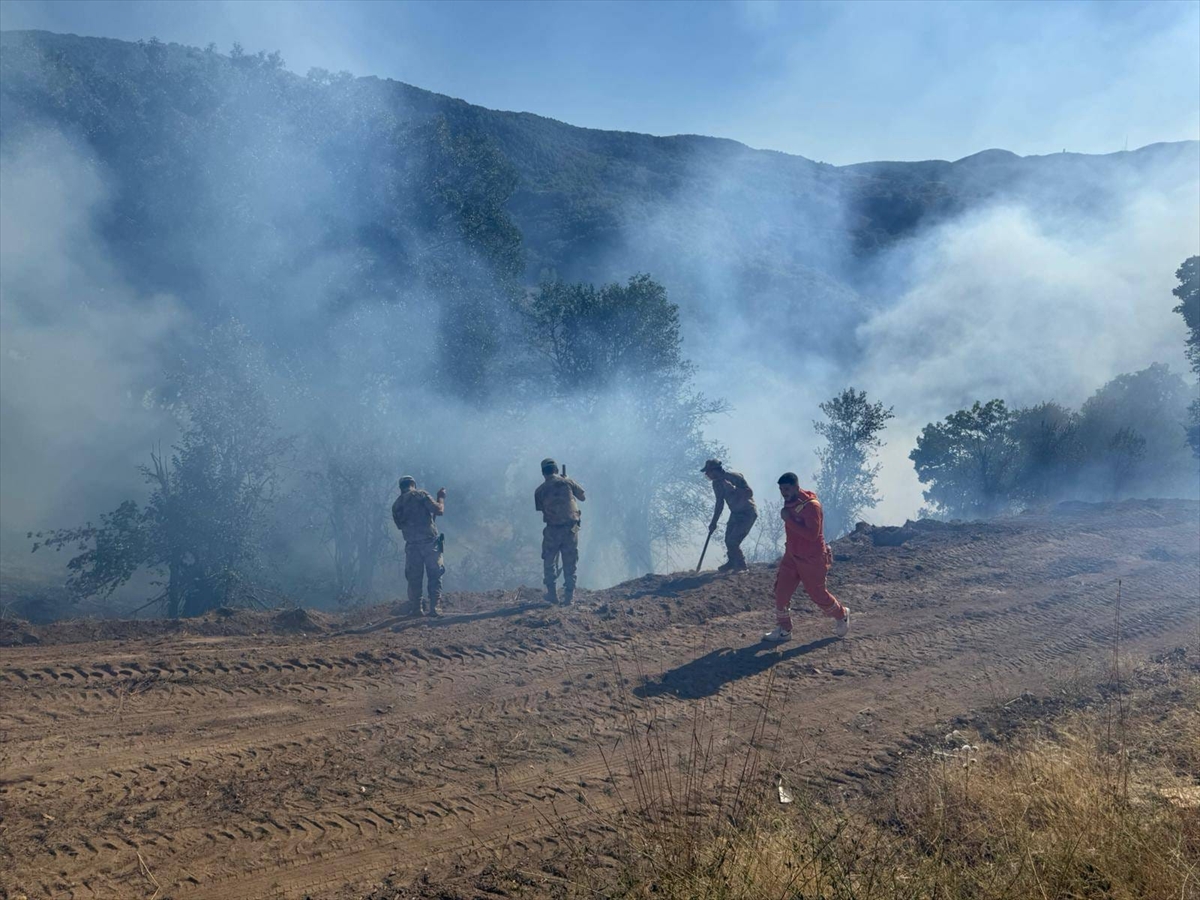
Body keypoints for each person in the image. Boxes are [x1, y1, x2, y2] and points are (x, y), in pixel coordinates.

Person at [765, 472, 849, 642]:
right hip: (792, 556)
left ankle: (842, 614)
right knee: (781, 592)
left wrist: (788, 520)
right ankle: (784, 630)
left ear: (796, 487)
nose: (783, 492)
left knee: (818, 595)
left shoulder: (811, 506)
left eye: (787, 488)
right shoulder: (791, 501)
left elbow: (812, 534)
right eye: (781, 489)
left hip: (812, 558)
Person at [391, 475, 446, 617]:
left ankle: (416, 609)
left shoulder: (396, 505)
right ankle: (435, 608)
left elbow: (400, 526)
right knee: (435, 574)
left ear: (401, 487)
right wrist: (441, 497)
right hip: (430, 542)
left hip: (412, 546)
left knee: (414, 578)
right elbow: (439, 510)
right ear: (413, 484)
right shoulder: (421, 495)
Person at [534, 458, 585, 605]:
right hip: (572, 529)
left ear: (543, 472)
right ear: (556, 469)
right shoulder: (567, 482)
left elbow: (541, 508)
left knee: (549, 561)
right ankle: (569, 597)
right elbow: (582, 496)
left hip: (552, 530)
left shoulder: (539, 491)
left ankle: (552, 594)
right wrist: (568, 480)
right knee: (571, 560)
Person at [702, 459, 757, 572]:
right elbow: (719, 503)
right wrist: (713, 522)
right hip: (735, 513)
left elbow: (749, 493)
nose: (707, 475)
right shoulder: (716, 484)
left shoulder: (734, 477)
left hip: (747, 513)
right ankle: (732, 562)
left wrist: (734, 489)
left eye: (708, 472)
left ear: (714, 470)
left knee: (733, 541)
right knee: (728, 540)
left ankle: (741, 566)